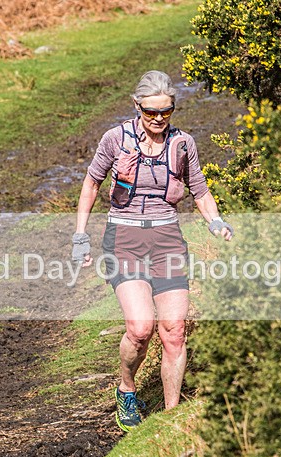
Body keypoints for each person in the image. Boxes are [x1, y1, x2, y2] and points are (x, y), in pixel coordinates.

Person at [72, 70, 233, 432]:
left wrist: (215, 222)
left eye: (166, 111)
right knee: (141, 327)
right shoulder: (115, 139)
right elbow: (91, 183)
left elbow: (200, 190)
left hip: (167, 240)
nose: (159, 119)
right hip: (125, 239)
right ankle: (126, 389)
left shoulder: (183, 144)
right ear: (137, 106)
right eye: (151, 112)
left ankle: (170, 417)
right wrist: (80, 236)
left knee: (174, 329)